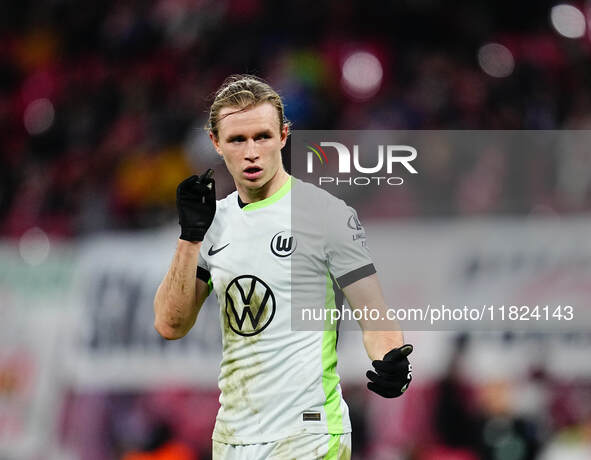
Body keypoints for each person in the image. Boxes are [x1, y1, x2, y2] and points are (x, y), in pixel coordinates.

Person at [153, 75, 413, 459]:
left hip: (309, 431)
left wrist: (391, 362)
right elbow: (169, 324)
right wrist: (190, 237)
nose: (252, 151)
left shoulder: (326, 215)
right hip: (234, 435)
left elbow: (374, 314)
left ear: (284, 135)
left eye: (262, 136)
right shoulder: (213, 223)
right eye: (238, 140)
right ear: (216, 143)